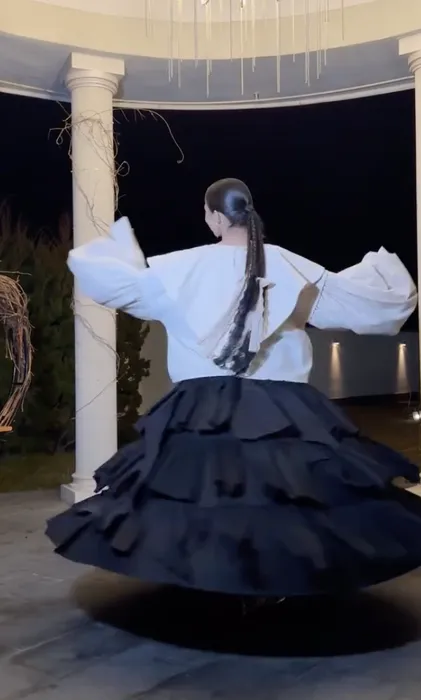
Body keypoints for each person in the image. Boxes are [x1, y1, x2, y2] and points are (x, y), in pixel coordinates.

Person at [47, 177, 421, 599]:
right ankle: (272, 582)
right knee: (286, 500)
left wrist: (114, 252)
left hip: (201, 410)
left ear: (216, 218)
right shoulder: (295, 269)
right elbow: (370, 307)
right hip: (283, 412)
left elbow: (115, 286)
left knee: (206, 497)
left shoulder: (177, 271)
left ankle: (219, 581)